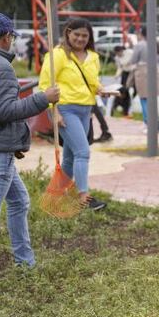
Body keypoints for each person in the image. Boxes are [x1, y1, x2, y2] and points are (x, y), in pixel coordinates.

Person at [0, 13, 59, 267]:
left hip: (4, 148)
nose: (11, 40)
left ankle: (25, 263)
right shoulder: (3, 68)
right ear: (5, 37)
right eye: (11, 36)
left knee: (19, 201)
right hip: (0, 151)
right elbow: (5, 111)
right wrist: (43, 98)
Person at [38, 18, 109, 211]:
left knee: (70, 158)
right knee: (83, 152)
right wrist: (55, 113)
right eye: (76, 34)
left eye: (84, 35)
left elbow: (92, 82)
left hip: (86, 110)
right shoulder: (58, 55)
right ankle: (83, 197)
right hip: (65, 109)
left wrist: (101, 89)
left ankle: (53, 199)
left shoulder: (93, 56)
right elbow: (44, 86)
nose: (80, 38)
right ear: (68, 33)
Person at [130, 27, 159, 134]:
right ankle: (156, 121)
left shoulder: (140, 45)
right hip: (156, 70)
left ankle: (149, 123)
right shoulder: (156, 44)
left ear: (142, 34)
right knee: (153, 100)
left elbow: (133, 60)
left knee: (144, 99)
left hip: (143, 71)